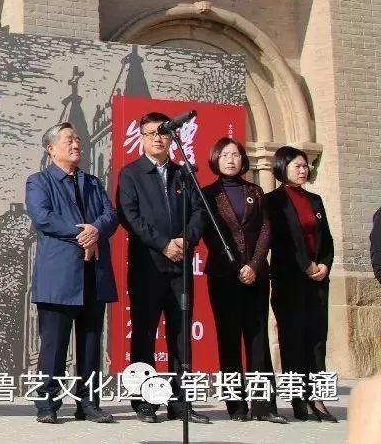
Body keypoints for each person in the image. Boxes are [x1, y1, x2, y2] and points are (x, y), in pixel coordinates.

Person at [116, 111, 208, 424]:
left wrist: (185, 239)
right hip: (148, 267)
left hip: (181, 265)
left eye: (164, 132)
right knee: (144, 334)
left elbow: (199, 213)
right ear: (141, 138)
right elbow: (131, 217)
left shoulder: (185, 174)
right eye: (151, 133)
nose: (158, 137)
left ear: (172, 138)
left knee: (181, 334)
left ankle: (181, 402)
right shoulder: (131, 175)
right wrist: (163, 244)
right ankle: (144, 401)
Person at [24, 122, 117, 424]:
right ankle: (47, 404)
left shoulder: (92, 182)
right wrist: (83, 233)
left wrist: (96, 229)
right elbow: (43, 217)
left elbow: (110, 215)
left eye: (77, 140)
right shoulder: (39, 182)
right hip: (59, 276)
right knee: (54, 344)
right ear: (51, 149)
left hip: (93, 273)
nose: (76, 145)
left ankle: (88, 403)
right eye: (68, 140)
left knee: (91, 342)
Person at [198, 138, 284, 423]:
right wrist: (237, 267)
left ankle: (264, 406)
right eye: (224, 154)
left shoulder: (255, 191)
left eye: (235, 154)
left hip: (256, 275)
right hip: (224, 276)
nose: (231, 159)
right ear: (215, 159)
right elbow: (211, 235)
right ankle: (235, 406)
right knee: (229, 338)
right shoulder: (208, 194)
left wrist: (254, 265)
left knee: (257, 338)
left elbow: (265, 231)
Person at [267, 145, 336, 422]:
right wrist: (304, 265)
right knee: (293, 339)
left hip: (317, 280)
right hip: (289, 279)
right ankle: (298, 400)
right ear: (282, 167)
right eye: (297, 165)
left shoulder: (316, 200)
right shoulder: (273, 201)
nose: (303, 170)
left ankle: (317, 398)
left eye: (305, 165)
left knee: (316, 340)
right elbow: (280, 241)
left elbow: (327, 239)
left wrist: (325, 264)